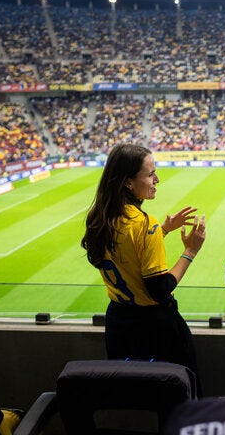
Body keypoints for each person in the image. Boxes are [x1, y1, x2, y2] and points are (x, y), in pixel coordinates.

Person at [81, 142, 206, 382]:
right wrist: (190, 251)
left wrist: (164, 230)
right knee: (178, 394)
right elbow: (159, 289)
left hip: (119, 323)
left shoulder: (100, 218)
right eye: (150, 174)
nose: (157, 179)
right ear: (128, 183)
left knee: (136, 394)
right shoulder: (144, 223)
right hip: (154, 327)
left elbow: (125, 254)